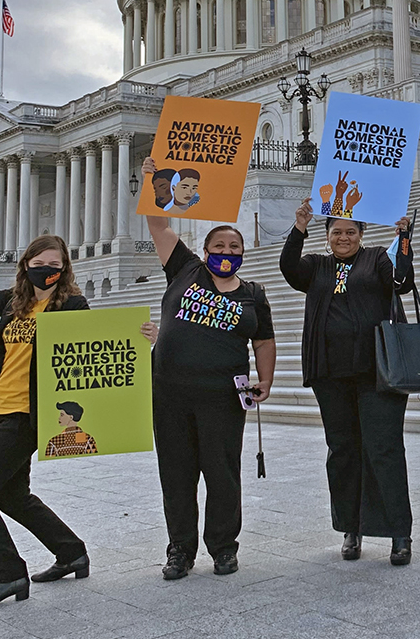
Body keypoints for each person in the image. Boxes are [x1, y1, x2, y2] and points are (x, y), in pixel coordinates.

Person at [142, 157, 276, 580]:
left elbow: (264, 340)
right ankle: (180, 549)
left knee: (222, 474)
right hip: (171, 392)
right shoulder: (184, 269)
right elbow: (159, 227)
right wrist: (154, 182)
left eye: (234, 247)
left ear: (243, 253)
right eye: (219, 246)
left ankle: (222, 547)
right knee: (176, 475)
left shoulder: (254, 294)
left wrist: (266, 380)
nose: (226, 252)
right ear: (205, 251)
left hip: (223, 395)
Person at [279, 202, 416, 566]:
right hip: (330, 373)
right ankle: (351, 529)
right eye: (337, 232)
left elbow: (402, 283)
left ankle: (399, 532)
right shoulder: (316, 265)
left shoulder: (377, 259)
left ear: (361, 235)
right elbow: (289, 270)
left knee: (383, 449)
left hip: (377, 373)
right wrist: (298, 228)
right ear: (327, 237)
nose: (343, 238)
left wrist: (403, 239)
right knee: (342, 451)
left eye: (351, 232)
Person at [0, 236, 90, 604]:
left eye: (55, 264)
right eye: (40, 262)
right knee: (12, 496)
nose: (47, 269)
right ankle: (71, 552)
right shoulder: (10, 302)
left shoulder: (71, 305)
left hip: (28, 414)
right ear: (26, 264)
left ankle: (8, 575)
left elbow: (93, 344)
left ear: (64, 269)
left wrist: (142, 334)